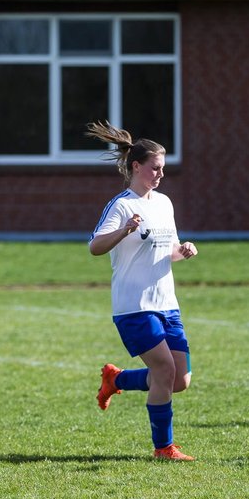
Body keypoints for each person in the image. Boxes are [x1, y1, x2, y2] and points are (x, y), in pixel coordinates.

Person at [87, 122, 199, 462]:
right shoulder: (121, 205)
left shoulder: (164, 203)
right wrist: (124, 231)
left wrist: (184, 251)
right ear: (136, 167)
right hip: (134, 306)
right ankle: (163, 447)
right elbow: (95, 246)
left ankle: (117, 378)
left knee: (180, 380)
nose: (160, 174)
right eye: (155, 168)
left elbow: (168, 251)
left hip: (167, 304)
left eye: (163, 168)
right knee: (164, 371)